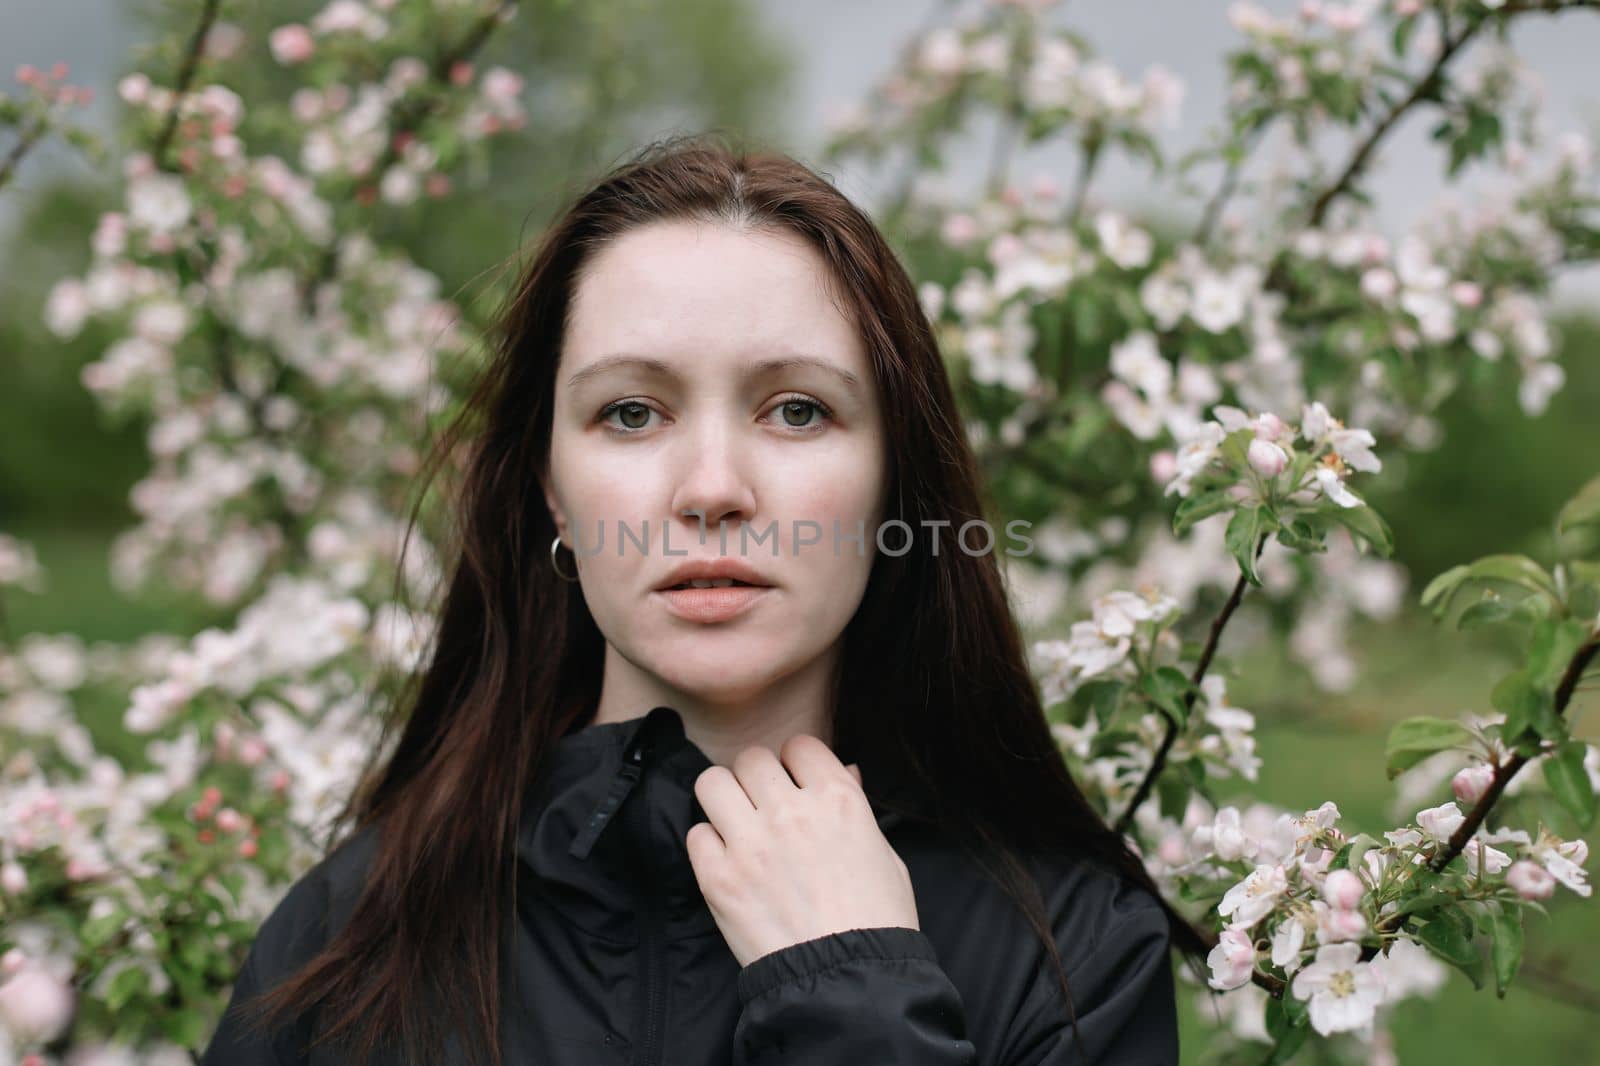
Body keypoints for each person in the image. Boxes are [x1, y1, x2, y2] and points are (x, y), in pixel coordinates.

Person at [199, 132, 1204, 1066]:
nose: (712, 487)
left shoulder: (1070, 950)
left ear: (893, 477)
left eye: (797, 410)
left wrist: (857, 994)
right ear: (549, 485)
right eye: (630, 412)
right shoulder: (348, 942)